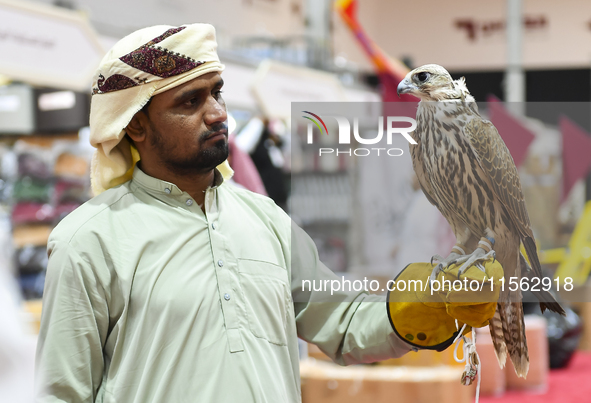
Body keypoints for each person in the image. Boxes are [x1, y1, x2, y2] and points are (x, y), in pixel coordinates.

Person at [35, 23, 497, 402]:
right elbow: (62, 393)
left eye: (217, 93)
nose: (217, 113)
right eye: (190, 102)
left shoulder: (266, 220)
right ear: (135, 124)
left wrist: (428, 307)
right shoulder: (88, 241)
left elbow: (341, 323)